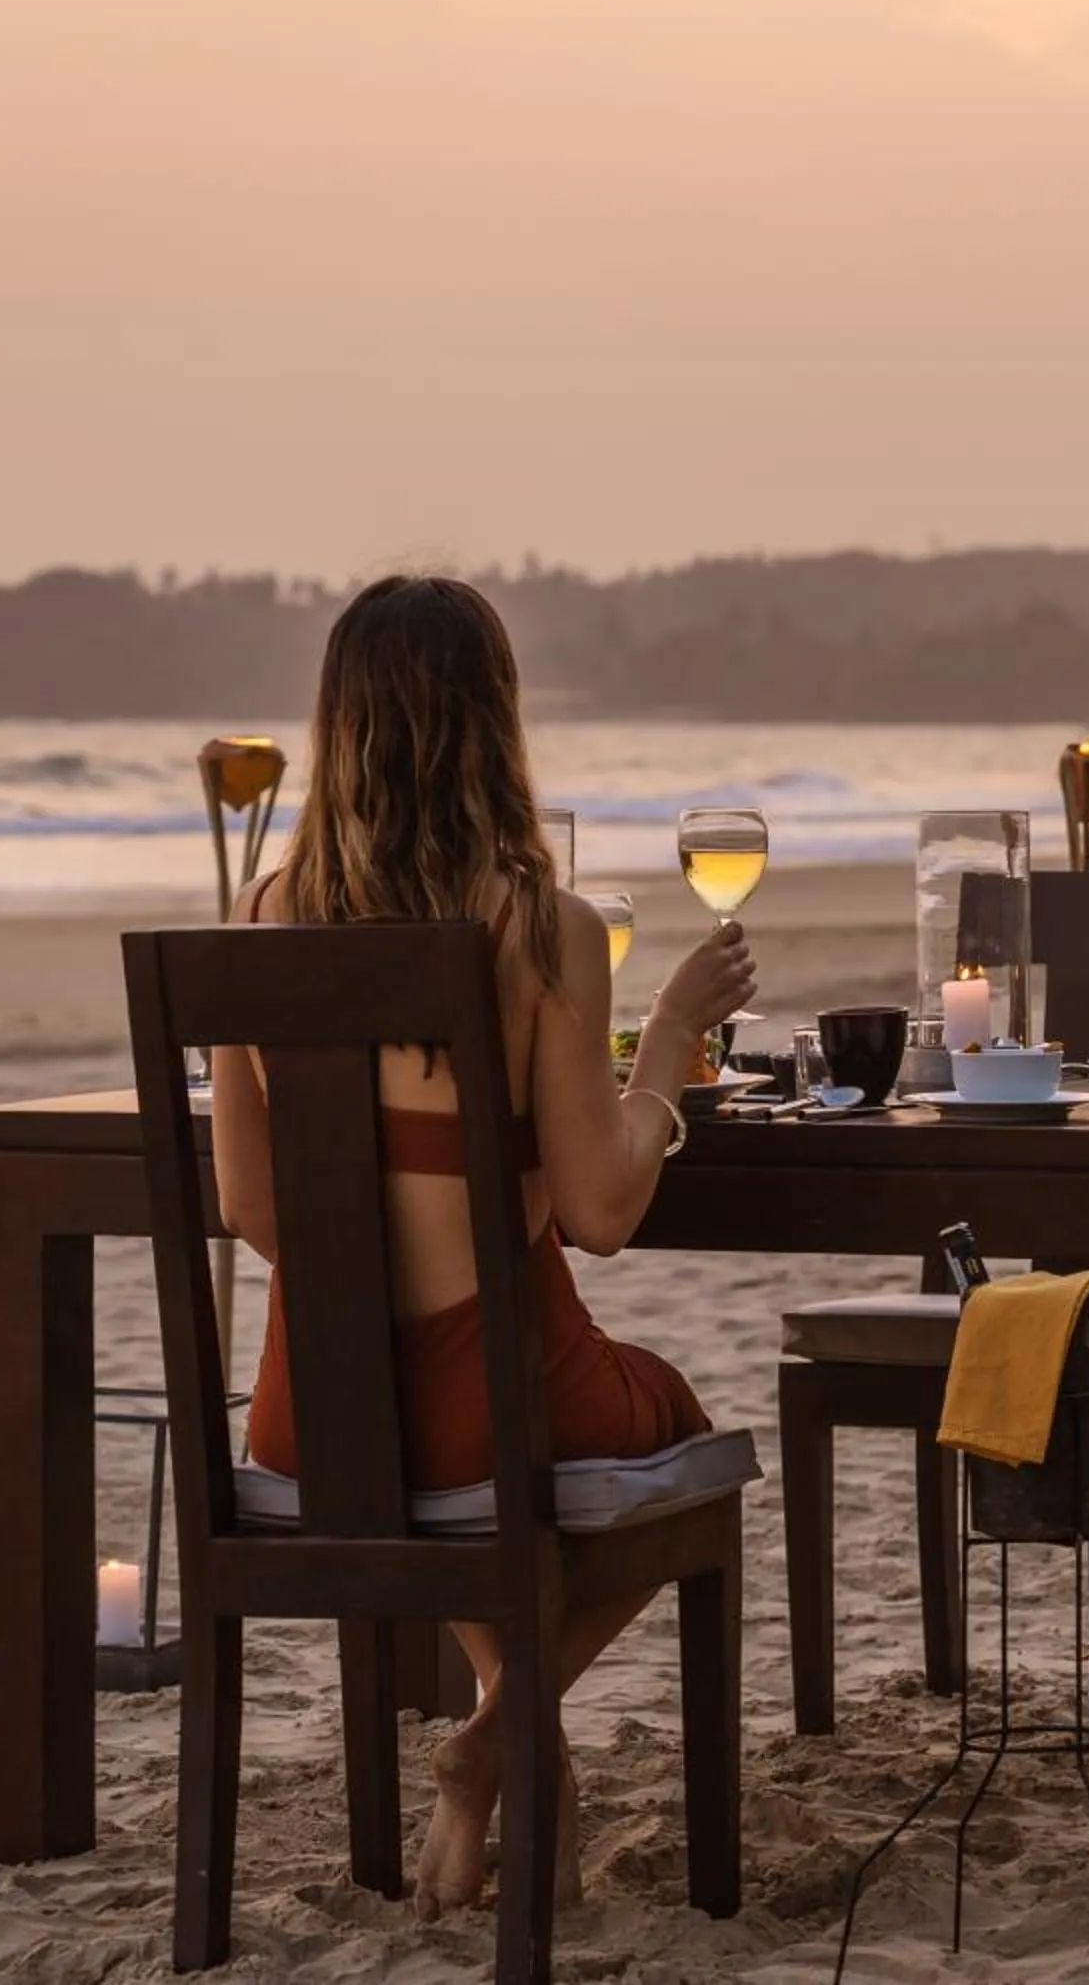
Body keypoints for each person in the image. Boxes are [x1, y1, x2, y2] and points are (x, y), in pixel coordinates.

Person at [211, 572, 754, 1922]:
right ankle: (497, 1736)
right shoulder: (540, 927)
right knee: (661, 1420)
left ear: (341, 729)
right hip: (484, 1410)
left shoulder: (260, 923)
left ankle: (524, 1750)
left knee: (481, 1451)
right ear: (495, 726)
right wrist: (672, 1042)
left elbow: (253, 1212)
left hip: (307, 1419)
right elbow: (605, 1215)